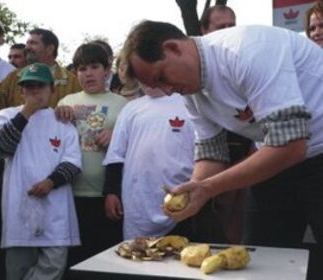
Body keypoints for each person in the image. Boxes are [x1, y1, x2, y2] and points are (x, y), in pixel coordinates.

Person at [122, 20, 323, 267]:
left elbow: (291, 145)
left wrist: (208, 188)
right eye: (156, 86)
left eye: (161, 77)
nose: (167, 91)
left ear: (173, 48)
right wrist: (193, 190)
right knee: (260, 260)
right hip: (275, 157)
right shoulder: (190, 92)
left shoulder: (247, 50)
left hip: (307, 151)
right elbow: (211, 152)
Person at [0, 63, 82, 280]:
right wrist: (27, 111)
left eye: (40, 86)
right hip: (19, 207)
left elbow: (73, 162)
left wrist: (51, 181)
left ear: (52, 90)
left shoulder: (63, 122)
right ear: (21, 91)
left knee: (54, 266)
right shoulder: (5, 115)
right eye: (29, 86)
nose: (35, 91)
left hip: (56, 207)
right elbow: (2, 147)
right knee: (17, 271)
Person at [56, 42, 127, 265]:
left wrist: (117, 136)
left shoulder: (124, 105)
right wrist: (57, 116)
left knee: (105, 260)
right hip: (69, 194)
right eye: (82, 68)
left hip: (107, 195)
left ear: (107, 70)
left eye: (94, 67)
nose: (88, 73)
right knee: (74, 261)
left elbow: (135, 146)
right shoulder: (66, 102)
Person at [103, 86, 196, 240]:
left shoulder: (190, 105)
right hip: (138, 201)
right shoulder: (130, 109)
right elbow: (116, 155)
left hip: (182, 195)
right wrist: (112, 191)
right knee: (137, 256)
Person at [199, 4, 252, 244]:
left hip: (252, 151)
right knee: (218, 213)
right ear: (205, 31)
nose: (229, 32)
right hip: (212, 154)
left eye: (232, 26)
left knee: (242, 214)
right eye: (222, 27)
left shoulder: (247, 61)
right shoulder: (196, 72)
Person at [0, 28, 81, 114]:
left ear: (50, 49)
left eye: (33, 43)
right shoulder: (13, 78)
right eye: (27, 43)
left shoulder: (72, 82)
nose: (27, 47)